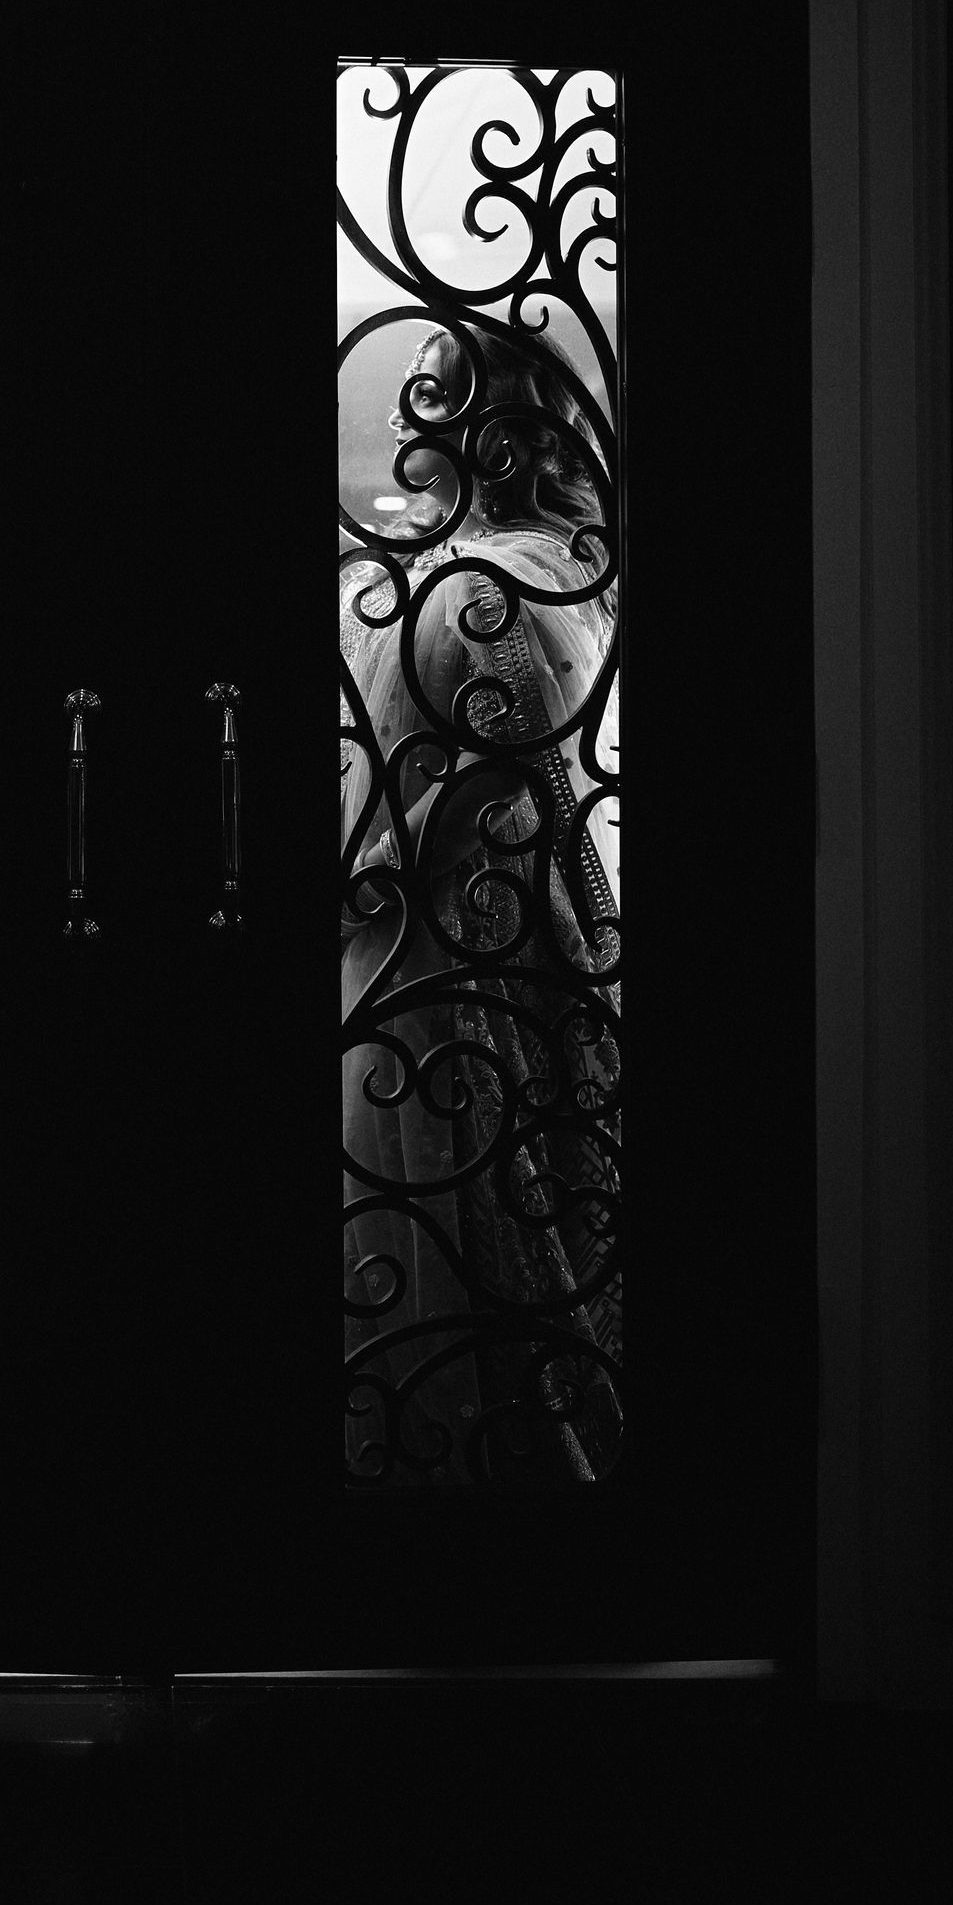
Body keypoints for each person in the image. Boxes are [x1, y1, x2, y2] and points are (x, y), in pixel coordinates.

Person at [341, 320, 623, 1486]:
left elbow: (407, 818)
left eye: (435, 394)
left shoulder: (463, 599)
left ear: (485, 428)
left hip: (439, 971)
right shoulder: (565, 575)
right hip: (529, 941)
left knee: (449, 1251)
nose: (411, 416)